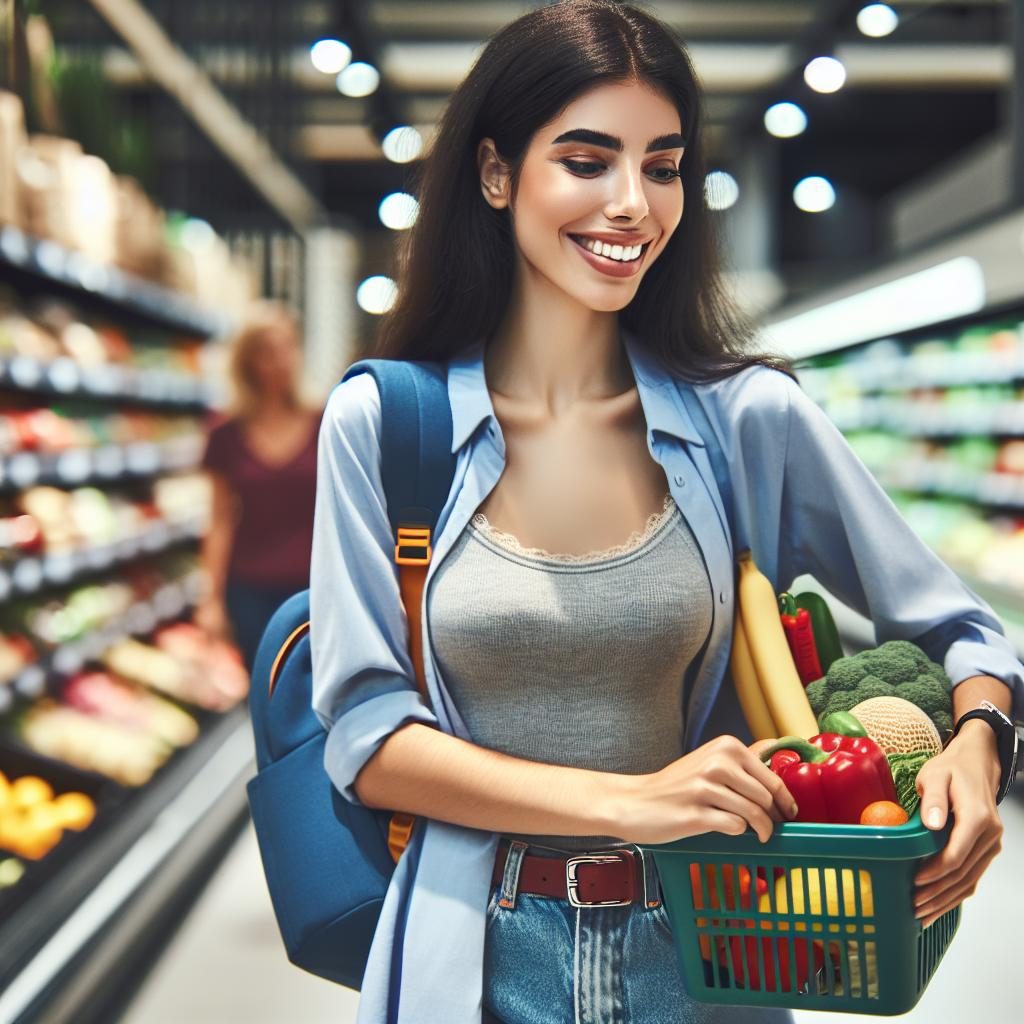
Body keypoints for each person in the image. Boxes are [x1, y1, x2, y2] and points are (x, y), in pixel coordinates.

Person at [309, 3, 1023, 1022]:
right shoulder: (386, 427)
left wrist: (977, 744)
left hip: (713, 949)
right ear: (496, 172)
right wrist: (626, 800)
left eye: (662, 164)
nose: (632, 204)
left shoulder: (749, 419)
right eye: (588, 160)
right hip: (475, 956)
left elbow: (960, 628)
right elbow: (368, 735)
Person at [196, 300, 322, 672]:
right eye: (266, 351)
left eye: (287, 347)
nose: (280, 360)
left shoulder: (327, 420)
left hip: (316, 589)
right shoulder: (225, 433)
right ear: (247, 361)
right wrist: (211, 600)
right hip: (249, 590)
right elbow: (219, 520)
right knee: (265, 699)